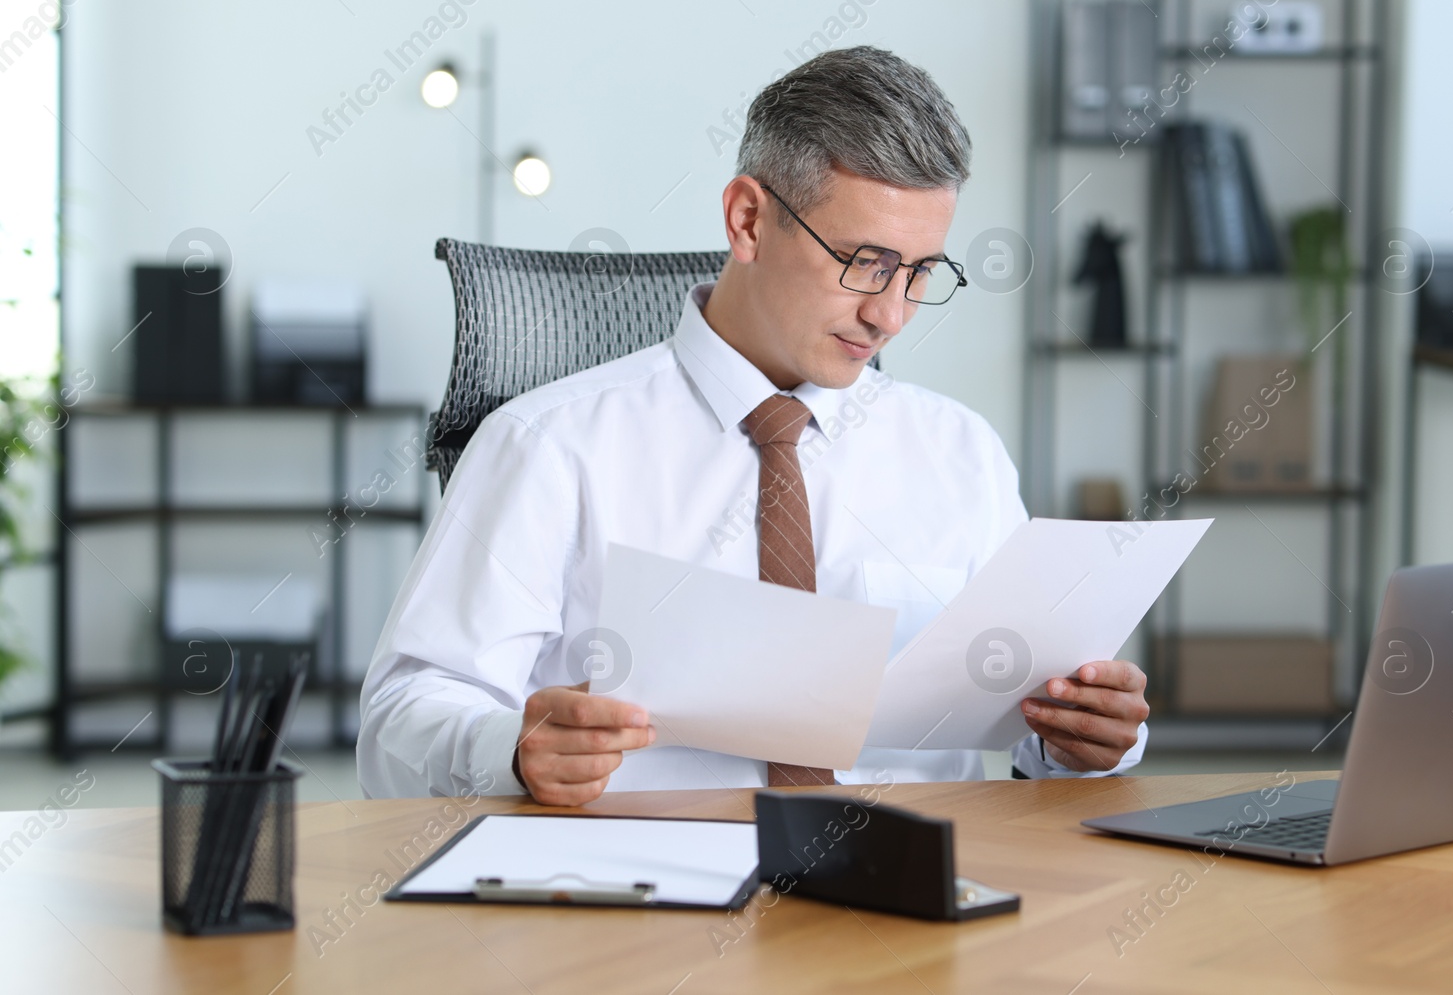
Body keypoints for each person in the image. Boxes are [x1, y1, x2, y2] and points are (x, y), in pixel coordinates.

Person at [357, 46, 1149, 803]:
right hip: (646, 902)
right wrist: (510, 750)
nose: (891, 313)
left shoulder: (961, 452)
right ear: (747, 220)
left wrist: (1079, 737)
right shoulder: (549, 446)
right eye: (866, 262)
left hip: (913, 892)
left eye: (920, 273)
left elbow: (1034, 729)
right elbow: (397, 723)